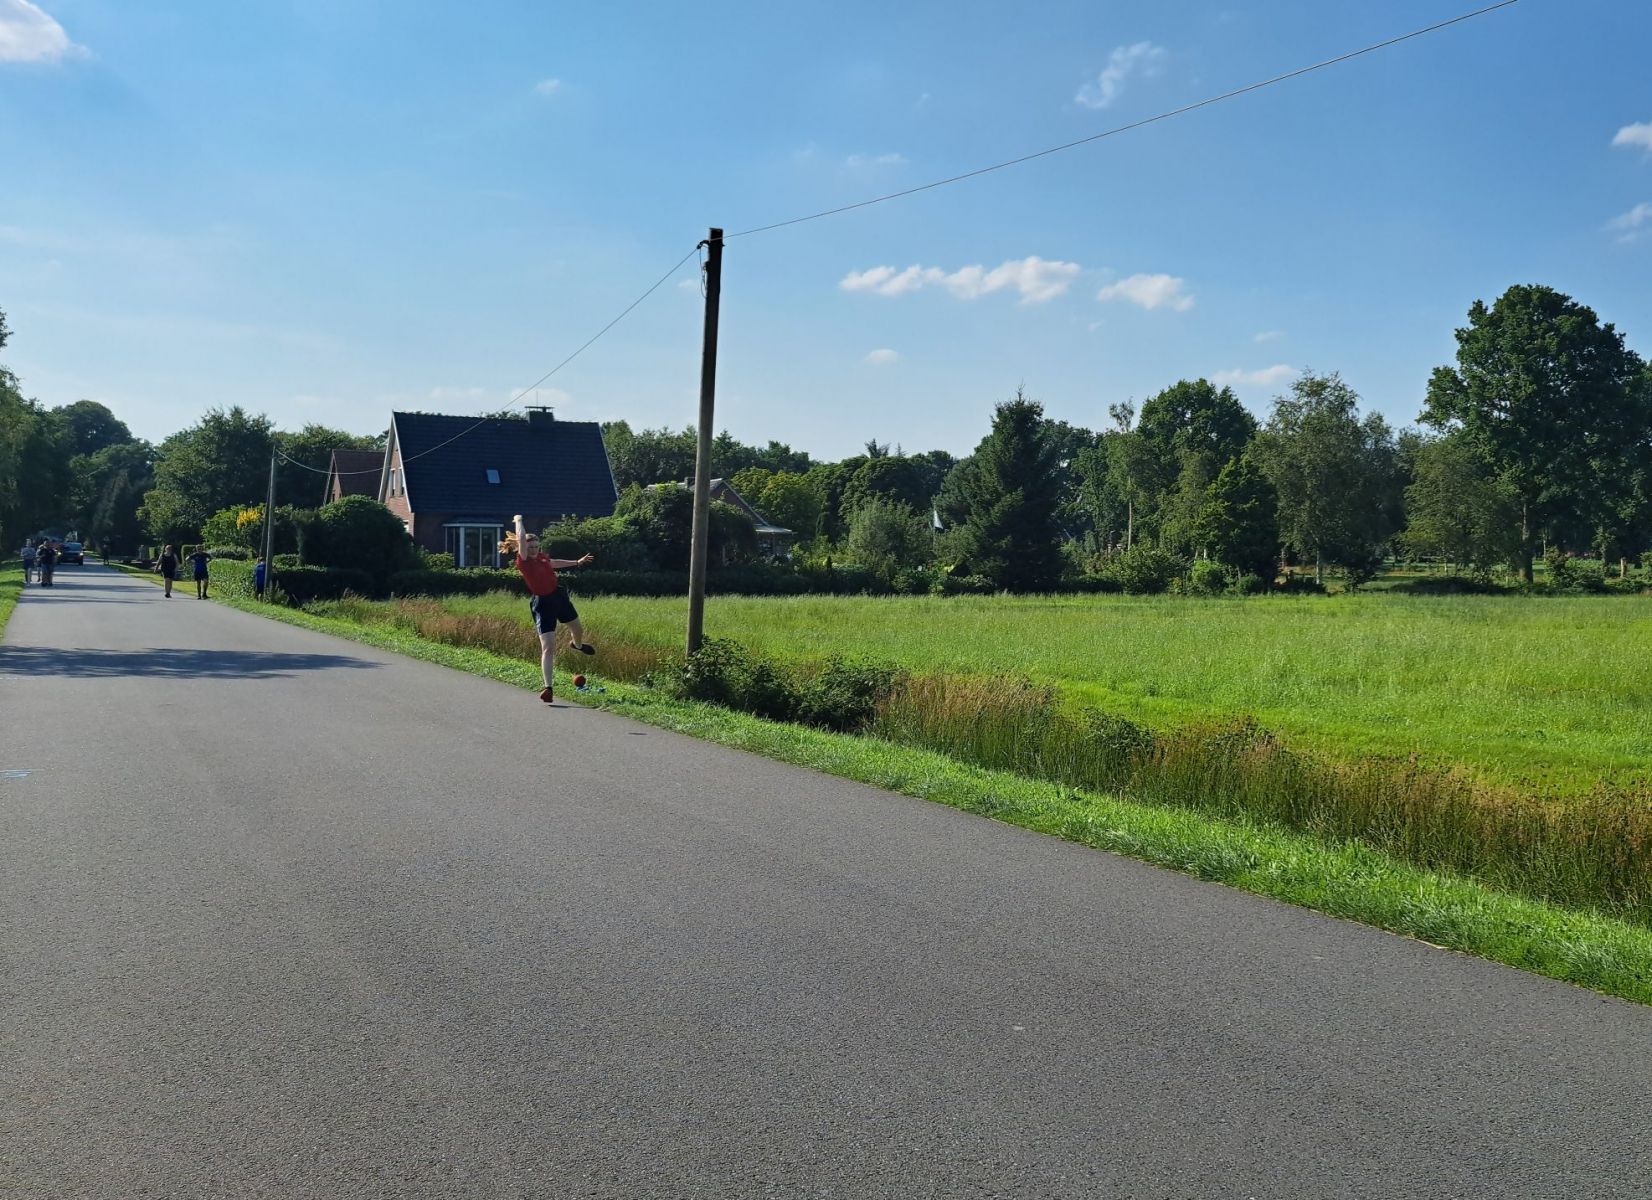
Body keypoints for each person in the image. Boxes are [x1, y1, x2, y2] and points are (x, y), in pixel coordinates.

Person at [509, 514, 594, 704]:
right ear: (524, 549)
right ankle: (548, 688)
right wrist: (519, 520)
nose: (533, 550)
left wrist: (576, 562)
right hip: (542, 604)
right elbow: (521, 538)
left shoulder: (542, 557)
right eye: (530, 547)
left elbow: (553, 562)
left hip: (559, 597)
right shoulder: (523, 561)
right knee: (548, 647)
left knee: (578, 629)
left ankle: (577, 645)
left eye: (536, 546)